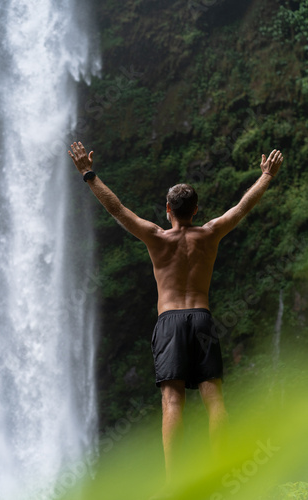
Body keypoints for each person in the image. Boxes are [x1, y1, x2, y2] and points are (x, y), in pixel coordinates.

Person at [68, 143, 283, 495]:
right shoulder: (210, 232)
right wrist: (266, 176)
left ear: (168, 210)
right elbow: (243, 207)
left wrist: (87, 174)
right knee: (215, 399)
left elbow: (118, 210)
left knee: (172, 401)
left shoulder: (156, 237)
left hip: (169, 321)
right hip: (201, 317)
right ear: (196, 210)